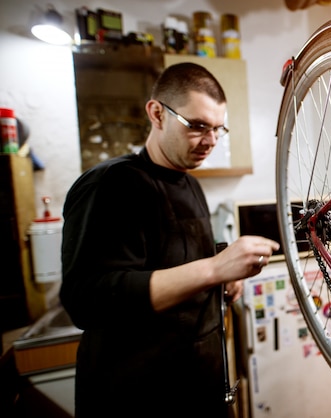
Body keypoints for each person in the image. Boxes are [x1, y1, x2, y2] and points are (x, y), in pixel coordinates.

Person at [60, 62, 280, 418]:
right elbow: (87, 299)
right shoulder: (111, 185)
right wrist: (213, 268)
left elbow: (176, 259)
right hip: (136, 396)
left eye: (217, 129)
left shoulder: (190, 184)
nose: (210, 141)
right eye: (197, 126)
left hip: (197, 385)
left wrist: (226, 274)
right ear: (157, 113)